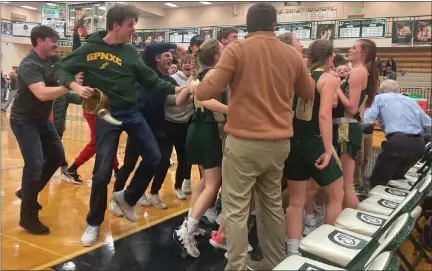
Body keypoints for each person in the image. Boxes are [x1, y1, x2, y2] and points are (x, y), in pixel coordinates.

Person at [188, 3, 315, 270]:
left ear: (247, 25)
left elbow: (206, 92)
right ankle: (275, 262)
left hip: (244, 143)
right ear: (273, 25)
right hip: (279, 144)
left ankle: (236, 266)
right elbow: (308, 90)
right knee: (270, 205)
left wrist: (197, 84)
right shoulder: (291, 55)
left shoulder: (237, 49)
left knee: (236, 208)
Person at [54, 4, 183, 247]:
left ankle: (127, 197)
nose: (134, 29)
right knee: (102, 173)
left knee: (156, 157)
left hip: (132, 112)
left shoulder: (131, 52)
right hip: (106, 114)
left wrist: (178, 89)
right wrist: (75, 86)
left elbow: (151, 79)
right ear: (116, 26)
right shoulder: (89, 48)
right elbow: (60, 67)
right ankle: (93, 223)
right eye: (131, 25)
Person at [9, 25, 79, 235]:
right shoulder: (29, 64)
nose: (56, 44)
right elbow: (41, 93)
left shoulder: (53, 60)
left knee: (57, 157)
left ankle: (27, 193)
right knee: (35, 164)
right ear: (39, 41)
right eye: (52, 40)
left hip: (41, 121)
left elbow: (73, 60)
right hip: (24, 121)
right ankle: (27, 218)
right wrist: (69, 86)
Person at [285, 39, 344, 257]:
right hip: (315, 141)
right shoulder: (327, 78)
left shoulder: (299, 76)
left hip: (293, 141)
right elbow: (324, 114)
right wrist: (328, 149)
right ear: (330, 57)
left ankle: (292, 251)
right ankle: (324, 248)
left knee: (295, 202)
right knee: (337, 195)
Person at [173, 38, 228, 258]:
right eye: (223, 51)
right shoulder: (213, 74)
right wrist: (233, 109)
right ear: (216, 56)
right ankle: (186, 232)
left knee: (205, 182)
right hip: (207, 130)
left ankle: (190, 223)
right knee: (214, 185)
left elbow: (179, 101)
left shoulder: (196, 76)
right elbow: (206, 102)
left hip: (196, 128)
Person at [333, 39, 379, 209]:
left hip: (345, 126)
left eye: (354, 47)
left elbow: (352, 107)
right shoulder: (359, 72)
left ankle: (352, 218)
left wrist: (336, 86)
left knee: (345, 183)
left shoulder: (359, 72)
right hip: (347, 126)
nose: (350, 50)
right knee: (344, 182)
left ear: (363, 53)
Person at [363, 79, 431, 187]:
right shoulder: (411, 101)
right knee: (397, 179)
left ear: (380, 90)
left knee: (378, 180)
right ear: (397, 90)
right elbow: (428, 123)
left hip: (397, 142)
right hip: (418, 144)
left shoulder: (379, 98)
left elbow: (367, 120)